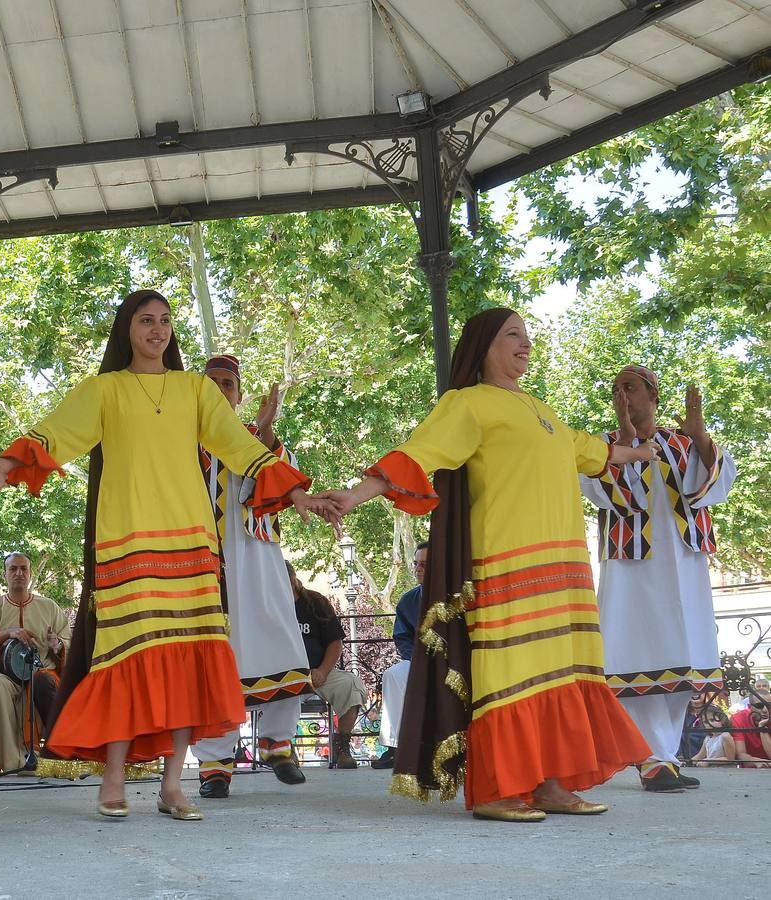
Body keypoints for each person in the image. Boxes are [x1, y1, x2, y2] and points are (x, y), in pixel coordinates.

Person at [0, 289, 335, 822]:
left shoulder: (196, 390)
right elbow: (55, 435)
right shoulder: (106, 390)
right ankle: (112, 781)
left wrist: (298, 494)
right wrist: (2, 464)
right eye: (145, 321)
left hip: (191, 547)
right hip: (128, 544)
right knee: (125, 661)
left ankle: (171, 786)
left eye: (164, 321)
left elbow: (242, 448)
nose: (157, 330)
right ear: (126, 330)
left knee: (189, 667)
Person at [315, 307, 655, 823]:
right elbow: (416, 455)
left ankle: (551, 784)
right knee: (510, 674)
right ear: (483, 346)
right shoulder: (467, 405)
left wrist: (638, 451)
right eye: (512, 335)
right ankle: (497, 789)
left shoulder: (544, 412)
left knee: (562, 672)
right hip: (506, 563)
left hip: (564, 568)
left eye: (527, 336)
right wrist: (355, 495)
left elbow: (595, 452)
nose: (525, 344)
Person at [580, 365, 736, 794]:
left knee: (684, 659)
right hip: (634, 570)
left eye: (629, 387)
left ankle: (664, 756)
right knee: (638, 656)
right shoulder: (602, 448)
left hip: (685, 567)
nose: (622, 395)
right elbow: (610, 497)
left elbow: (717, 486)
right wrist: (628, 443)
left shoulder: (685, 441)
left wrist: (701, 436)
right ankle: (651, 760)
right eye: (615, 389)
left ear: (653, 393)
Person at [190, 355, 316, 796]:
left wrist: (265, 430)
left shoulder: (252, 441)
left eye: (229, 384)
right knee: (210, 660)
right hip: (199, 565)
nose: (222, 390)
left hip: (257, 562)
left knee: (280, 639)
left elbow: (284, 476)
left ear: (240, 396)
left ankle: (277, 743)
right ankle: (215, 766)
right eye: (213, 383)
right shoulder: (179, 443)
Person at [0, 552, 70, 776]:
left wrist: (58, 645)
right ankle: (5, 762)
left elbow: (68, 641)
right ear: (4, 574)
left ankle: (54, 755)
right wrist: (6, 634)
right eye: (13, 569)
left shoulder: (49, 607)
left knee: (40, 681)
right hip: (4, 675)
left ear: (30, 574)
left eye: (23, 569)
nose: (19, 573)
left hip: (40, 675)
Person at [288, 565, 365, 769]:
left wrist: (323, 670)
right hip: (283, 674)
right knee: (271, 691)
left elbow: (335, 641)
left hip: (319, 672)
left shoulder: (316, 602)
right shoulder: (267, 604)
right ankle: (283, 748)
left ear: (294, 578)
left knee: (351, 684)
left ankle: (342, 747)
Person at [374, 544, 427, 770]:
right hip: (419, 662)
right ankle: (395, 747)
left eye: (424, 564)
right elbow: (402, 637)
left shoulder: (456, 596)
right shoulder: (408, 600)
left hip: (454, 663)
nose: (418, 569)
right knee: (393, 675)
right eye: (416, 563)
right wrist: (418, 661)